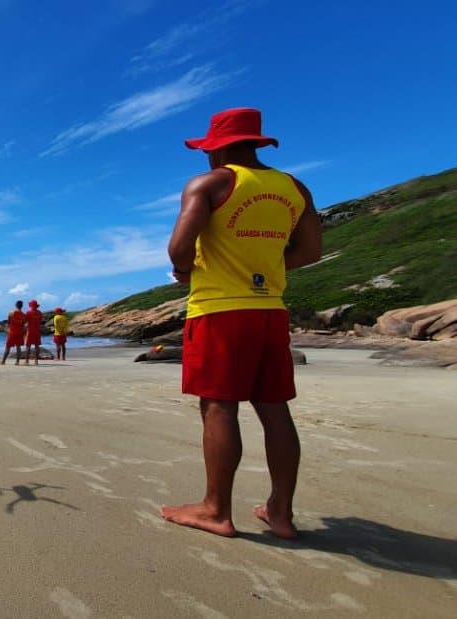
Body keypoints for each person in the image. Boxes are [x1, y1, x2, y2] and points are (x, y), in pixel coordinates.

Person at [160, 108, 322, 540]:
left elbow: (178, 250)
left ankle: (216, 510)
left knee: (218, 406)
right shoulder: (294, 188)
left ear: (218, 147)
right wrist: (265, 263)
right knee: (274, 410)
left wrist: (189, 268)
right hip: (270, 310)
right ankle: (281, 513)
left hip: (219, 312)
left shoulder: (211, 184)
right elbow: (310, 252)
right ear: (256, 143)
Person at [0, 300, 26, 365]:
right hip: (19, 332)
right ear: (21, 306)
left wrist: (8, 329)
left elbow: (9, 322)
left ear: (16, 305)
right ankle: (17, 362)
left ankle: (3, 361)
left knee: (8, 347)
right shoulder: (23, 315)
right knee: (18, 347)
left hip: (12, 332)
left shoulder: (11, 313)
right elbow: (23, 324)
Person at [24, 300, 43, 365]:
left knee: (28, 346)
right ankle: (36, 361)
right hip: (37, 330)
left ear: (30, 305)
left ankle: (27, 361)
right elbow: (40, 321)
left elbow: (25, 321)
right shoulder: (39, 313)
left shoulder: (28, 312)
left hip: (30, 330)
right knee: (37, 346)